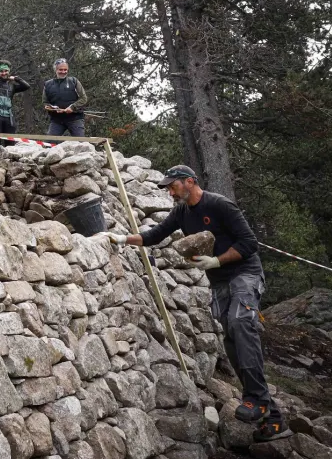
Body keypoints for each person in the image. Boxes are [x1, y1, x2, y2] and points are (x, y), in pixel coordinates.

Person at [105, 166, 292, 443]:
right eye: (167, 187)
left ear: (190, 182)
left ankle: (256, 400)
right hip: (219, 282)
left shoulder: (219, 205)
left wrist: (217, 260)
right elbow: (155, 235)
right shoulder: (181, 212)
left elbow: (249, 243)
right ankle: (273, 418)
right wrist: (121, 239)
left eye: (173, 186)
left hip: (245, 274)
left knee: (241, 323)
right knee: (232, 341)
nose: (170, 191)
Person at [43, 58, 89, 137]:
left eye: (65, 70)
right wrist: (52, 108)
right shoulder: (47, 84)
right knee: (49, 143)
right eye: (61, 70)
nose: (63, 72)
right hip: (56, 120)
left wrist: (72, 107)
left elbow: (84, 98)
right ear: (56, 70)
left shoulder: (74, 81)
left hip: (75, 118)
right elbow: (45, 102)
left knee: (81, 143)